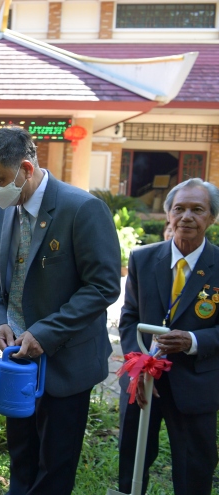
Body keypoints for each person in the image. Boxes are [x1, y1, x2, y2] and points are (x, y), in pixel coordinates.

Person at [0, 127, 121, 495]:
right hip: (18, 360)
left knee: (54, 468)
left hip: (65, 362)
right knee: (20, 458)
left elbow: (103, 286)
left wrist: (46, 332)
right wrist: (0, 321)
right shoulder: (2, 207)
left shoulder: (81, 208)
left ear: (26, 168)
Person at [117, 178, 219, 495]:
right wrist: (139, 366)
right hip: (143, 384)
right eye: (180, 209)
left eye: (197, 209)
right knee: (132, 462)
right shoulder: (143, 259)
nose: (187, 216)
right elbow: (129, 318)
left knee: (194, 469)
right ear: (168, 215)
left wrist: (193, 341)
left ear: (212, 218)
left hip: (195, 384)